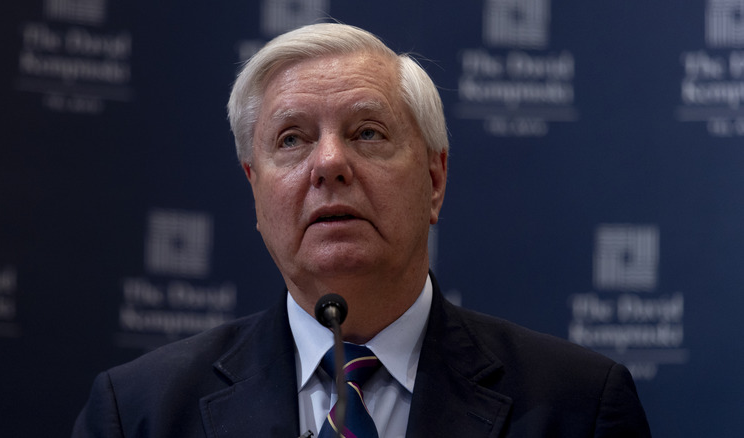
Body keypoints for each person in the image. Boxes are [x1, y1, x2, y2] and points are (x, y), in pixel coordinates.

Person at [72, 23, 651, 437]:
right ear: (255, 190)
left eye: (368, 132)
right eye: (291, 139)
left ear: (434, 177)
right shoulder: (139, 413)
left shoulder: (578, 408)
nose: (328, 163)